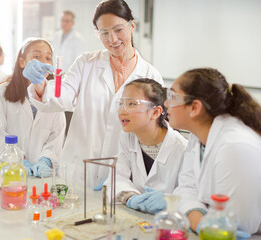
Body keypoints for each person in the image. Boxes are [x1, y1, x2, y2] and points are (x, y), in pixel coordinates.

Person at [23, 0, 163, 188]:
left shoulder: (150, 75)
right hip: (79, 170)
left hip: (122, 175)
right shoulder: (86, 63)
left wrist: (126, 176)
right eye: (104, 33)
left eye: (118, 30)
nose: (112, 39)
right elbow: (61, 97)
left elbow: (154, 131)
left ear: (132, 26)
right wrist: (40, 84)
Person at [166, 68, 261, 237]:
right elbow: (185, 189)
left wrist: (202, 220)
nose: (166, 104)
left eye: (172, 97)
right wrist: (203, 223)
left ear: (194, 107)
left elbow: (238, 224)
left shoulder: (236, 146)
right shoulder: (198, 136)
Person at [0, 38, 66, 177]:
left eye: (48, 58)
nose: (43, 62)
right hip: (11, 172)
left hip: (43, 175)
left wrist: (46, 160)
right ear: (22, 62)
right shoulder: (1, 93)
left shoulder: (55, 97)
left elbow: (57, 135)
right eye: (36, 56)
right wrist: (18, 160)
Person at [104, 78, 187, 214]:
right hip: (137, 219)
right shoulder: (127, 138)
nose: (123, 111)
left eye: (131, 104)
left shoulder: (182, 149)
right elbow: (118, 177)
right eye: (121, 103)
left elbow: (190, 195)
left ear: (155, 112)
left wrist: (169, 200)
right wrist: (130, 198)